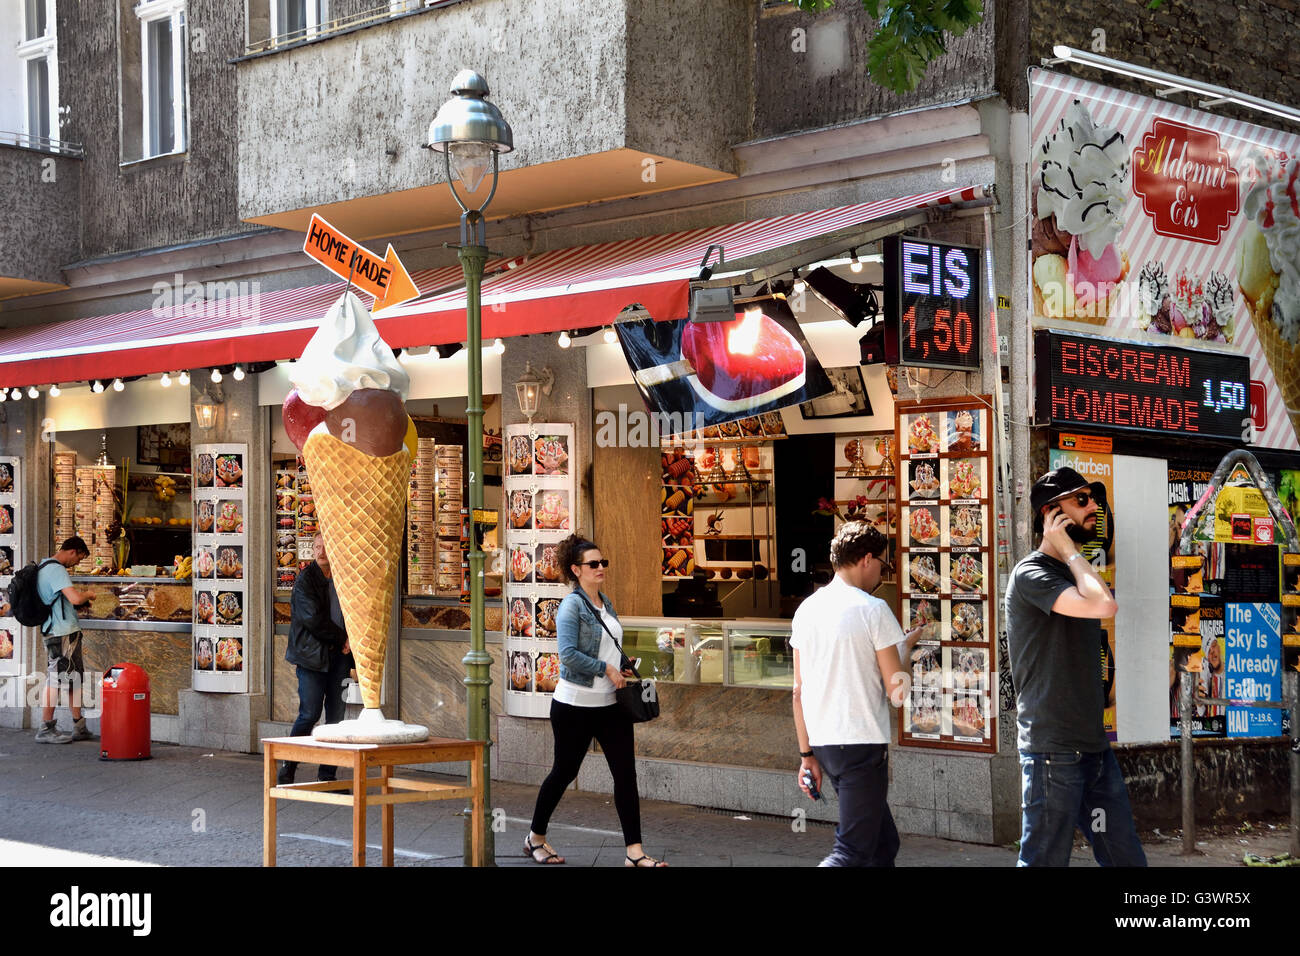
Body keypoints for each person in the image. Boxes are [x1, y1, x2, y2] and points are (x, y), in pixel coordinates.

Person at [1005, 466, 1146, 867]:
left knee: (1124, 857)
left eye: (1094, 499)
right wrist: (1067, 549)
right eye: (1082, 500)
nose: (1093, 507)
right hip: (1053, 752)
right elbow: (1105, 605)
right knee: (1044, 861)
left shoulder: (1074, 573)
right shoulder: (1031, 574)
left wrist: (1073, 556)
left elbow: (1099, 600)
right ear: (1052, 514)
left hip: (1093, 749)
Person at [524, 533, 666, 867]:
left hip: (610, 705)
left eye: (603, 562)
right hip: (575, 705)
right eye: (593, 564)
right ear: (576, 570)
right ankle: (535, 837)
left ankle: (634, 853)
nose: (600, 567)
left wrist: (622, 665)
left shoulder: (605, 600)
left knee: (625, 775)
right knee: (563, 772)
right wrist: (605, 668)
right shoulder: (571, 606)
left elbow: (608, 644)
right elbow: (568, 655)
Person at [791, 522, 918, 867]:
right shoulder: (873, 610)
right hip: (861, 743)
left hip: (825, 746)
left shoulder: (807, 610)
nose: (882, 571)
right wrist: (905, 649)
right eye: (883, 563)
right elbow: (897, 691)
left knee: (882, 844)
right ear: (866, 559)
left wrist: (806, 756)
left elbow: (797, 692)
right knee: (850, 852)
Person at [279, 533, 350, 785]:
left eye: (325, 548)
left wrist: (351, 641)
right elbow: (313, 620)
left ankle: (327, 775)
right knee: (309, 714)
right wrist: (343, 639)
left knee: (336, 718)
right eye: (317, 547)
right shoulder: (305, 580)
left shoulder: (343, 578)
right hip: (311, 657)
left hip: (339, 659)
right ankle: (288, 766)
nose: (320, 552)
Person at [35, 537, 93, 744]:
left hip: (61, 630)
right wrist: (88, 594)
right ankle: (45, 727)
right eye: (79, 559)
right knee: (56, 679)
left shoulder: (44, 566)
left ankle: (79, 725)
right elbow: (75, 598)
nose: (76, 564)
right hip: (61, 633)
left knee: (72, 679)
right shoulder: (56, 569)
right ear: (73, 551)